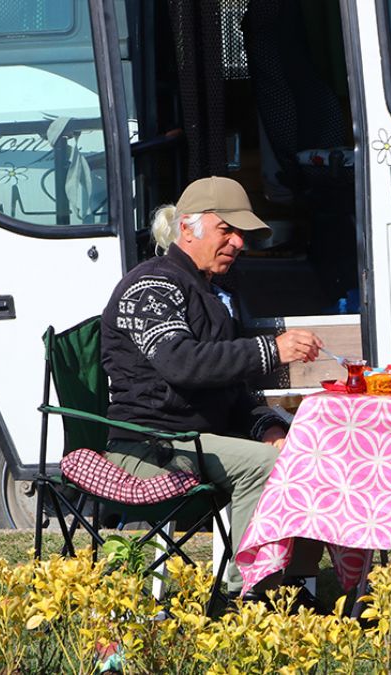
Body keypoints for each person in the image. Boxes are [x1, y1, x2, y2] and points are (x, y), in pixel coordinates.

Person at [101, 176, 324, 603]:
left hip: (198, 441)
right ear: (187, 229)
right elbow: (181, 363)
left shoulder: (213, 293)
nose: (239, 242)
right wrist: (271, 350)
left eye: (242, 234)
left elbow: (231, 389)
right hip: (151, 445)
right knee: (263, 465)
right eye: (228, 230)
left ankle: (296, 584)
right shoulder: (150, 286)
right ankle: (250, 596)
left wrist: (268, 429)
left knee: (306, 454)